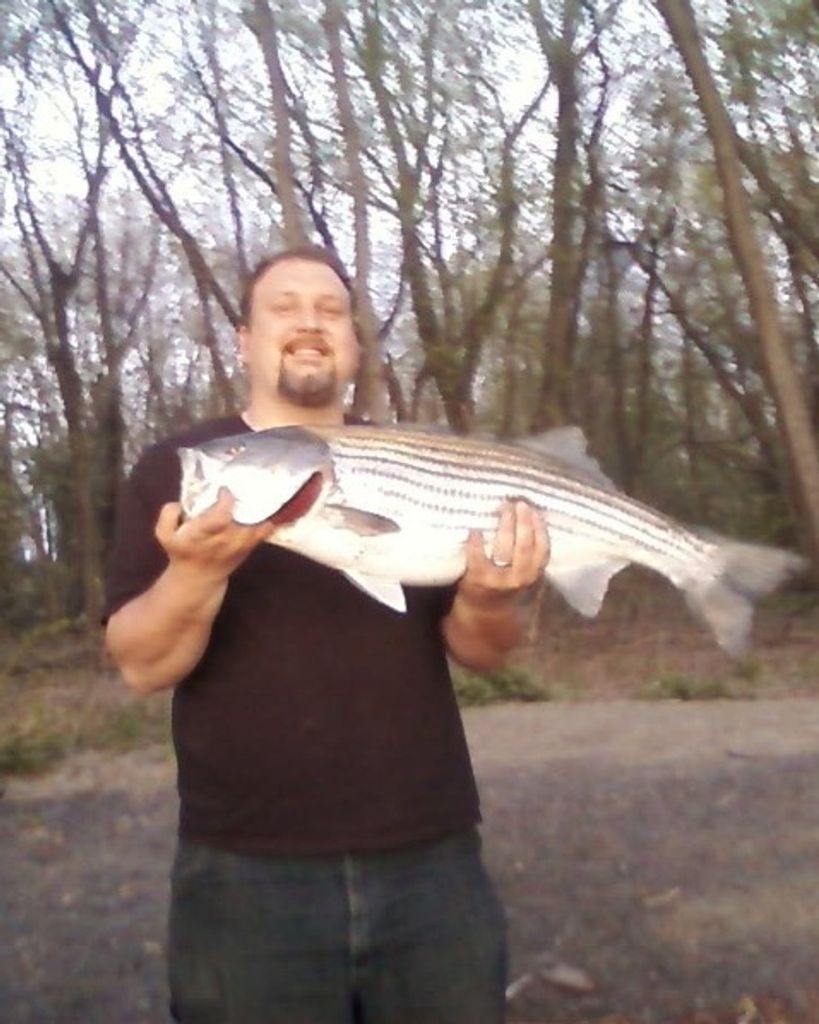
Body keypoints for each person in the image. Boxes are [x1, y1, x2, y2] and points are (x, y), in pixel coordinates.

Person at [104, 245, 550, 1024]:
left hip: (432, 854)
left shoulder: (426, 463)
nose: (309, 321)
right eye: (283, 306)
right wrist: (197, 573)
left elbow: (486, 652)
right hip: (241, 867)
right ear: (243, 340)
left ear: (351, 345)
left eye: (331, 310)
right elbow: (143, 666)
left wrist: (486, 596)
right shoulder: (177, 470)